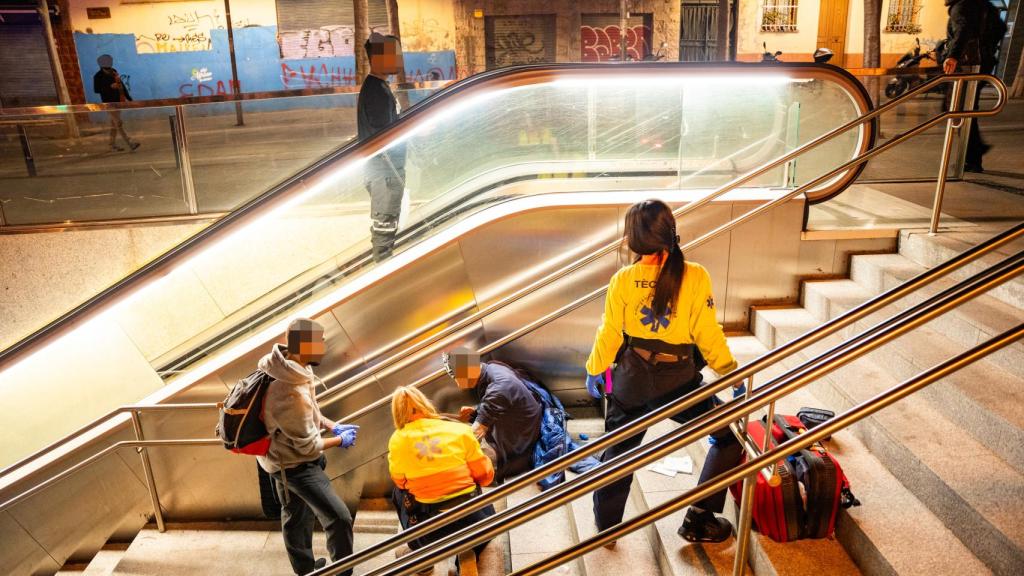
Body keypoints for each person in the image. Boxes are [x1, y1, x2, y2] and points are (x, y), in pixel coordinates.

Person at [583, 199, 744, 544]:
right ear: (669, 231)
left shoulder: (623, 279)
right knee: (729, 439)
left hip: (631, 382)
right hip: (679, 383)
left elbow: (609, 333)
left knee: (618, 456)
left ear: (633, 238)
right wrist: (731, 372)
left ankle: (606, 530)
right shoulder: (695, 275)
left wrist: (596, 369)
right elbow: (708, 333)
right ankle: (699, 517)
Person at [256, 318, 360, 575]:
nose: (323, 347)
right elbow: (309, 448)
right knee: (339, 518)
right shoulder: (288, 392)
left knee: (295, 514)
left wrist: (332, 425)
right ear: (303, 345)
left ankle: (304, 570)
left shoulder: (291, 366)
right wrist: (340, 440)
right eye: (319, 343)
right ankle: (342, 573)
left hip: (278, 457)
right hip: (293, 465)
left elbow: (311, 410)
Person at [388, 386, 496, 575]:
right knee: (472, 479)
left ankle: (423, 559)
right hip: (475, 521)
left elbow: (400, 482)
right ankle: (468, 552)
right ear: (425, 404)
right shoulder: (461, 430)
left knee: (398, 492)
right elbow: (486, 477)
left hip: (430, 530)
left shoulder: (398, 440)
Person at [442, 349, 543, 483]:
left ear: (467, 372)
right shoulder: (492, 367)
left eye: (456, 377)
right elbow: (500, 403)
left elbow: (475, 435)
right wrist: (478, 411)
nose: (457, 384)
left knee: (455, 470)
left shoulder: (498, 389)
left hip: (518, 450)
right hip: (522, 429)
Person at [357, 32, 406, 261]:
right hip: (384, 174)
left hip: (384, 173)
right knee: (384, 228)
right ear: (378, 59)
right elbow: (383, 137)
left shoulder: (378, 87)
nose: (399, 60)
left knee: (386, 225)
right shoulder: (376, 91)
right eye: (394, 55)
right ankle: (382, 274)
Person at [942, 0, 1006, 172]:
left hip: (966, 66)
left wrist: (953, 55)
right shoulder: (984, 6)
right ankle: (975, 151)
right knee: (967, 108)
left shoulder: (962, 6)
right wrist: (987, 46)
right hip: (982, 64)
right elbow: (1001, 28)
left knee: (959, 110)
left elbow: (962, 30)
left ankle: (972, 156)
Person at [92, 54, 140, 152]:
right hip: (109, 103)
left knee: (114, 125)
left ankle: (111, 144)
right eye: (108, 60)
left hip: (118, 101)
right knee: (118, 123)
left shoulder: (114, 72)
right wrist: (110, 87)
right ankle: (130, 143)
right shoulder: (98, 76)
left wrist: (129, 98)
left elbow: (121, 85)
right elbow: (96, 90)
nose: (110, 62)